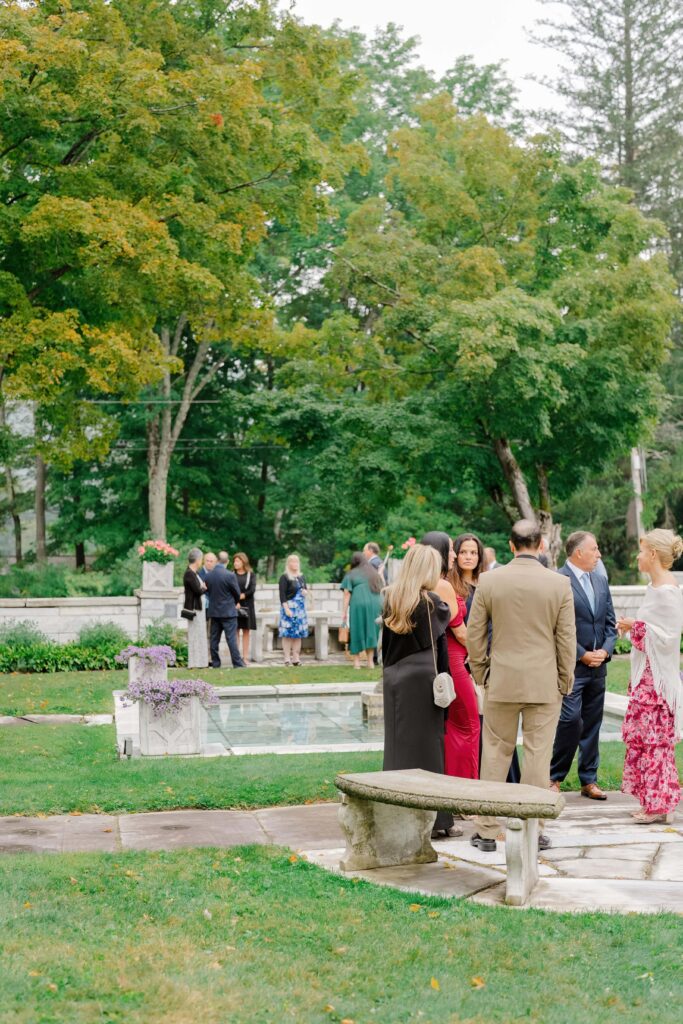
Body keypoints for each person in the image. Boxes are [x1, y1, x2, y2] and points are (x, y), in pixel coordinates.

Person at [467, 519, 576, 852]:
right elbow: (566, 639)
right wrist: (564, 678)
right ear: (541, 544)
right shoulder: (559, 584)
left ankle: (486, 831)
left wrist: (481, 672)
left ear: (510, 545)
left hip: (502, 680)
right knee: (537, 757)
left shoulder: (489, 581)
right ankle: (534, 828)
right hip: (543, 683)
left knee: (496, 755)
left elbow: (475, 634)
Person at [382, 543, 457, 839]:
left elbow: (385, 648)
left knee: (397, 747)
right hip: (424, 678)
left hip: (394, 678)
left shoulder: (391, 598)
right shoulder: (434, 604)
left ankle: (394, 810)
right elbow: (442, 652)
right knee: (430, 749)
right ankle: (438, 820)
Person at [618, 529, 683, 824]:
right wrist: (634, 627)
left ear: (653, 554)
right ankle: (654, 802)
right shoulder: (654, 588)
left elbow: (669, 638)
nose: (638, 556)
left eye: (642, 551)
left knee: (656, 744)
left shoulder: (668, 591)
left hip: (657, 686)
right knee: (646, 742)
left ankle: (659, 805)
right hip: (646, 679)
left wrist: (636, 625)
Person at [549, 532, 617, 800]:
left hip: (599, 667)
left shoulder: (600, 580)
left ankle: (589, 780)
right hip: (571, 667)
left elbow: (610, 624)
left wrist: (605, 651)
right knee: (569, 720)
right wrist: (581, 654)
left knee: (592, 723)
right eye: (595, 549)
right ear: (578, 553)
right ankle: (554, 777)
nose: (598, 554)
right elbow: (553, 627)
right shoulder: (557, 580)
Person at [451, 532, 521, 785]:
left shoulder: (488, 583)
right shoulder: (451, 586)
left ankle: (507, 782)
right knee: (475, 723)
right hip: (465, 660)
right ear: (455, 555)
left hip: (493, 658)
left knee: (498, 724)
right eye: (464, 552)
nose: (468, 557)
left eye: (473, 552)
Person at [422, 531, 479, 783]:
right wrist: (485, 655)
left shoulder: (426, 580)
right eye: (452, 549)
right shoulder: (443, 584)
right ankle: (465, 792)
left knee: (452, 728)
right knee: (469, 725)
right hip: (456, 659)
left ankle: (450, 785)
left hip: (442, 658)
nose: (456, 554)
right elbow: (462, 633)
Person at [340, 552, 383, 669]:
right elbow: (382, 589)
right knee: (371, 630)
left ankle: (357, 663)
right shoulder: (373, 573)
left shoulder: (351, 574)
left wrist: (343, 612)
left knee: (357, 629)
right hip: (375, 604)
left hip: (358, 603)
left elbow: (347, 594)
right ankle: (370, 662)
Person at [204, 553, 245, 669]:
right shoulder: (230, 575)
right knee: (231, 639)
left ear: (217, 561)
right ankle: (237, 664)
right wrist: (233, 602)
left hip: (214, 612)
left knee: (214, 639)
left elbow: (206, 591)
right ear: (227, 562)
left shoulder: (208, 576)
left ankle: (216, 663)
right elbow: (237, 593)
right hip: (228, 612)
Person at [278, 554, 309, 666]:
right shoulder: (285, 577)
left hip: (300, 609)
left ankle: (296, 657)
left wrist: (305, 592)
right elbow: (282, 595)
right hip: (289, 608)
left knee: (298, 634)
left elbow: (304, 590)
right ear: (288, 564)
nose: (295, 564)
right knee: (287, 633)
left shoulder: (301, 577)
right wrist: (286, 608)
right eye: (293, 562)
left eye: (297, 562)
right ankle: (287, 658)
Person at [183, 548, 208, 669]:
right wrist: (204, 588)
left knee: (200, 634)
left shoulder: (195, 573)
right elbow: (198, 590)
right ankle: (194, 662)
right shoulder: (189, 574)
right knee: (195, 635)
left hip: (199, 608)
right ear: (197, 560)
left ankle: (201, 661)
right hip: (193, 609)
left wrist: (202, 587)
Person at [233, 552, 257, 667]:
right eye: (234, 561)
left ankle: (245, 657)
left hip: (247, 605)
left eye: (238, 561)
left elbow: (252, 589)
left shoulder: (250, 575)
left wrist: (242, 596)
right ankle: (236, 658)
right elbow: (229, 589)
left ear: (243, 562)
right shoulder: (231, 574)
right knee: (235, 631)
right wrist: (235, 601)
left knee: (246, 631)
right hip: (234, 605)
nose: (235, 563)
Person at [199, 551, 217, 640]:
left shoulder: (217, 573)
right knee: (203, 633)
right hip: (203, 607)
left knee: (213, 633)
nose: (209, 563)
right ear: (204, 561)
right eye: (207, 561)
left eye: (211, 561)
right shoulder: (199, 573)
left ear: (215, 563)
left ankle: (211, 651)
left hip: (215, 607)